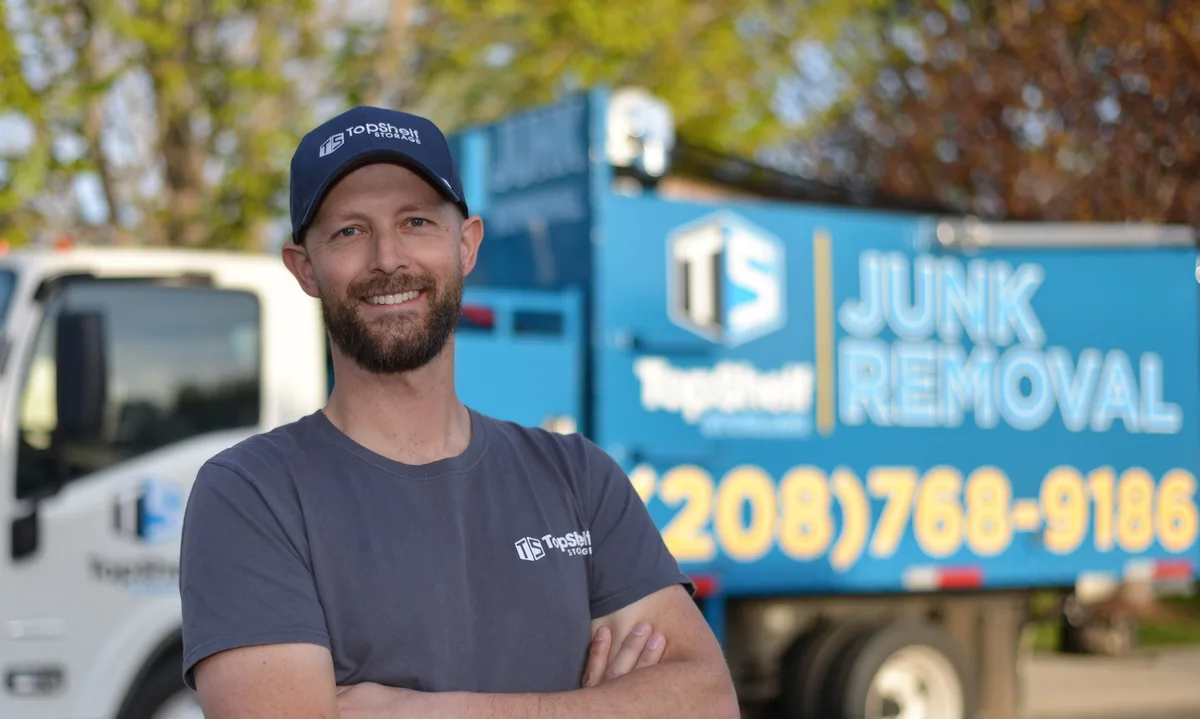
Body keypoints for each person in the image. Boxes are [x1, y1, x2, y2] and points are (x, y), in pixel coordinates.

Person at [178, 105, 739, 719]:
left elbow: (708, 701)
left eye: (416, 221)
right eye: (349, 231)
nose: (388, 258)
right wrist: (599, 707)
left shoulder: (578, 477)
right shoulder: (253, 494)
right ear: (304, 268)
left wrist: (421, 711)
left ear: (466, 245)